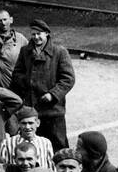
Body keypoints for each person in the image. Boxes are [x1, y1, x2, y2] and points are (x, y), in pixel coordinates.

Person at [9, 20, 75, 150]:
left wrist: (53, 94)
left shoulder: (59, 52)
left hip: (53, 111)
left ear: (46, 34)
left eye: (39, 34)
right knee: (33, 146)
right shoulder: (25, 51)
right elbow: (17, 73)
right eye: (33, 34)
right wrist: (28, 83)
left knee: (58, 145)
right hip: (32, 109)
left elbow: (68, 79)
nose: (36, 37)